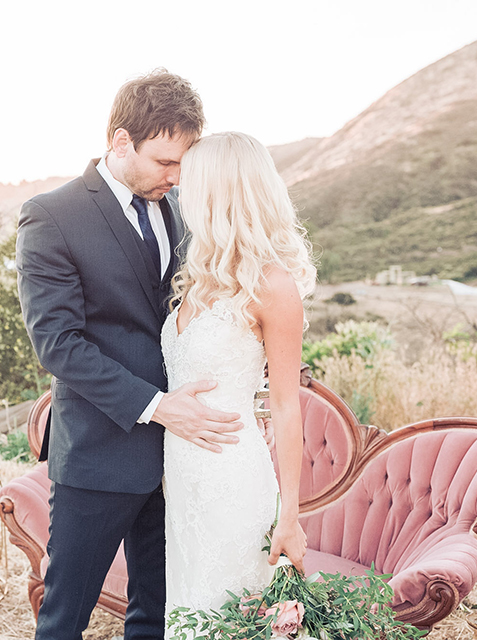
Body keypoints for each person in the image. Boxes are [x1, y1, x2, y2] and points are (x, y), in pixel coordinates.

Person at [16, 70, 263, 640]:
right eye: (165, 163)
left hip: (181, 462)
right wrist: (157, 405)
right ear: (121, 142)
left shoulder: (178, 209)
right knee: (63, 621)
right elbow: (57, 343)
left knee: (156, 614)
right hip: (98, 455)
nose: (177, 178)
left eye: (185, 165)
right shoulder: (51, 216)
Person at [161, 131, 315, 622]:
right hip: (181, 481)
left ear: (217, 191)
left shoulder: (273, 284)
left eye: (190, 183)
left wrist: (288, 514)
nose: (179, 194)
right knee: (190, 611)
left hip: (233, 479)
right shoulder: (198, 275)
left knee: (231, 615)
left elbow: (287, 406)